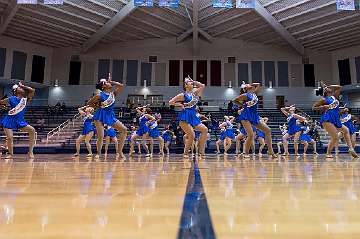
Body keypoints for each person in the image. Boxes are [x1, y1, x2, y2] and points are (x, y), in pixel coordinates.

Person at [313, 81, 358, 159]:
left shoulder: (334, 97)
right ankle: (328, 153)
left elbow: (339, 87)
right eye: (326, 89)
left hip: (336, 118)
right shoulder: (324, 100)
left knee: (346, 130)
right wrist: (322, 107)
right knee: (335, 137)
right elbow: (313, 107)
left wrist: (328, 85)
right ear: (325, 92)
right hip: (327, 118)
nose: (328, 89)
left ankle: (351, 148)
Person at [87, 73, 127, 160]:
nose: (108, 83)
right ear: (103, 87)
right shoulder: (99, 95)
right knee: (101, 136)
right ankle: (98, 153)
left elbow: (121, 86)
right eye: (105, 83)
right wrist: (98, 106)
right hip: (100, 115)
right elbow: (89, 103)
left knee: (124, 130)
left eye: (107, 82)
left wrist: (112, 81)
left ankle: (120, 152)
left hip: (110, 115)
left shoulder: (113, 94)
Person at [233, 82, 276, 159]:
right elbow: (235, 100)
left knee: (268, 130)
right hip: (246, 115)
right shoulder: (245, 95)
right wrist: (243, 105)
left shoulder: (254, 93)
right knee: (250, 134)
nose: (252, 86)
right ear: (247, 88)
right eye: (249, 86)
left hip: (254, 116)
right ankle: (245, 153)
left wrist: (249, 84)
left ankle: (270, 151)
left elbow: (258, 84)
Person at [169, 76, 208, 158]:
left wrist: (194, 81)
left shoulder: (195, 93)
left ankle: (200, 149)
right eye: (189, 82)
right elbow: (170, 102)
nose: (192, 83)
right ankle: (186, 153)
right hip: (185, 115)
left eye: (192, 82)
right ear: (186, 85)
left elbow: (202, 85)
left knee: (205, 129)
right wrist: (179, 104)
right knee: (192, 135)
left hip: (193, 115)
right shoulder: (182, 95)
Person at [0, 82, 36, 159]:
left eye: (22, 88)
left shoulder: (25, 100)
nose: (22, 88)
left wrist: (22, 85)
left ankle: (30, 152)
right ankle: (10, 154)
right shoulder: (11, 98)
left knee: (32, 130)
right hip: (9, 120)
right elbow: (1, 102)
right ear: (15, 91)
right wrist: (4, 107)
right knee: (10, 137)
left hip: (20, 121)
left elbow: (32, 90)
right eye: (19, 88)